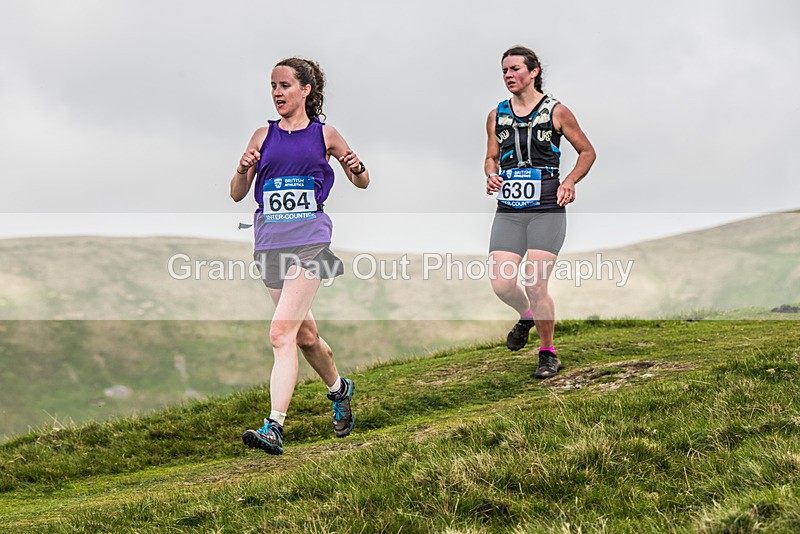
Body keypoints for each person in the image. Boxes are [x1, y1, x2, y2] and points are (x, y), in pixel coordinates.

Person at [230, 57, 370, 455]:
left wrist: (354, 167)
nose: (277, 93)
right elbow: (237, 193)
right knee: (305, 337)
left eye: (285, 86)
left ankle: (274, 426)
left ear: (306, 90)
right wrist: (243, 170)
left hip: (310, 241)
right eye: (273, 86)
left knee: (279, 334)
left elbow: (362, 181)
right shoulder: (262, 136)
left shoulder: (325, 135)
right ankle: (340, 389)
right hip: (270, 244)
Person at [484, 46, 596, 379]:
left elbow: (587, 152)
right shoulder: (496, 115)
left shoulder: (556, 111)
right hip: (509, 209)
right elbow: (491, 157)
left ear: (533, 72)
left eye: (515, 69)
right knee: (502, 284)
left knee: (534, 282)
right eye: (504, 70)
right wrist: (490, 173)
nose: (508, 75)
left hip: (547, 206)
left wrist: (571, 182)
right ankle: (528, 315)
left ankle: (547, 353)